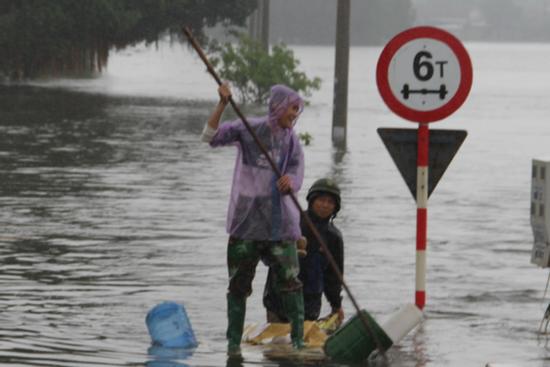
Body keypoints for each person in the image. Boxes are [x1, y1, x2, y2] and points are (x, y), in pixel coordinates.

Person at [200, 82, 306, 356]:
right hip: (246, 219)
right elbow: (209, 137)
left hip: (278, 220)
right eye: (292, 108)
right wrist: (222, 103)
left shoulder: (291, 139)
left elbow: (296, 170)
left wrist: (290, 182)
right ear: (279, 107)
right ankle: (233, 343)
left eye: (297, 110)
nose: (295, 114)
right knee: (238, 285)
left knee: (291, 283)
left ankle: (298, 340)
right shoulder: (250, 129)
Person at [263, 178, 344, 327]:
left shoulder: (334, 237)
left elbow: (333, 276)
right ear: (312, 201)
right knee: (278, 346)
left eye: (330, 202)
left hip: (310, 306)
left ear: (335, 207)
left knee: (302, 346)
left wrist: (336, 305)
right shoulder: (293, 222)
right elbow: (269, 255)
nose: (325, 205)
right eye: (321, 200)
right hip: (278, 302)